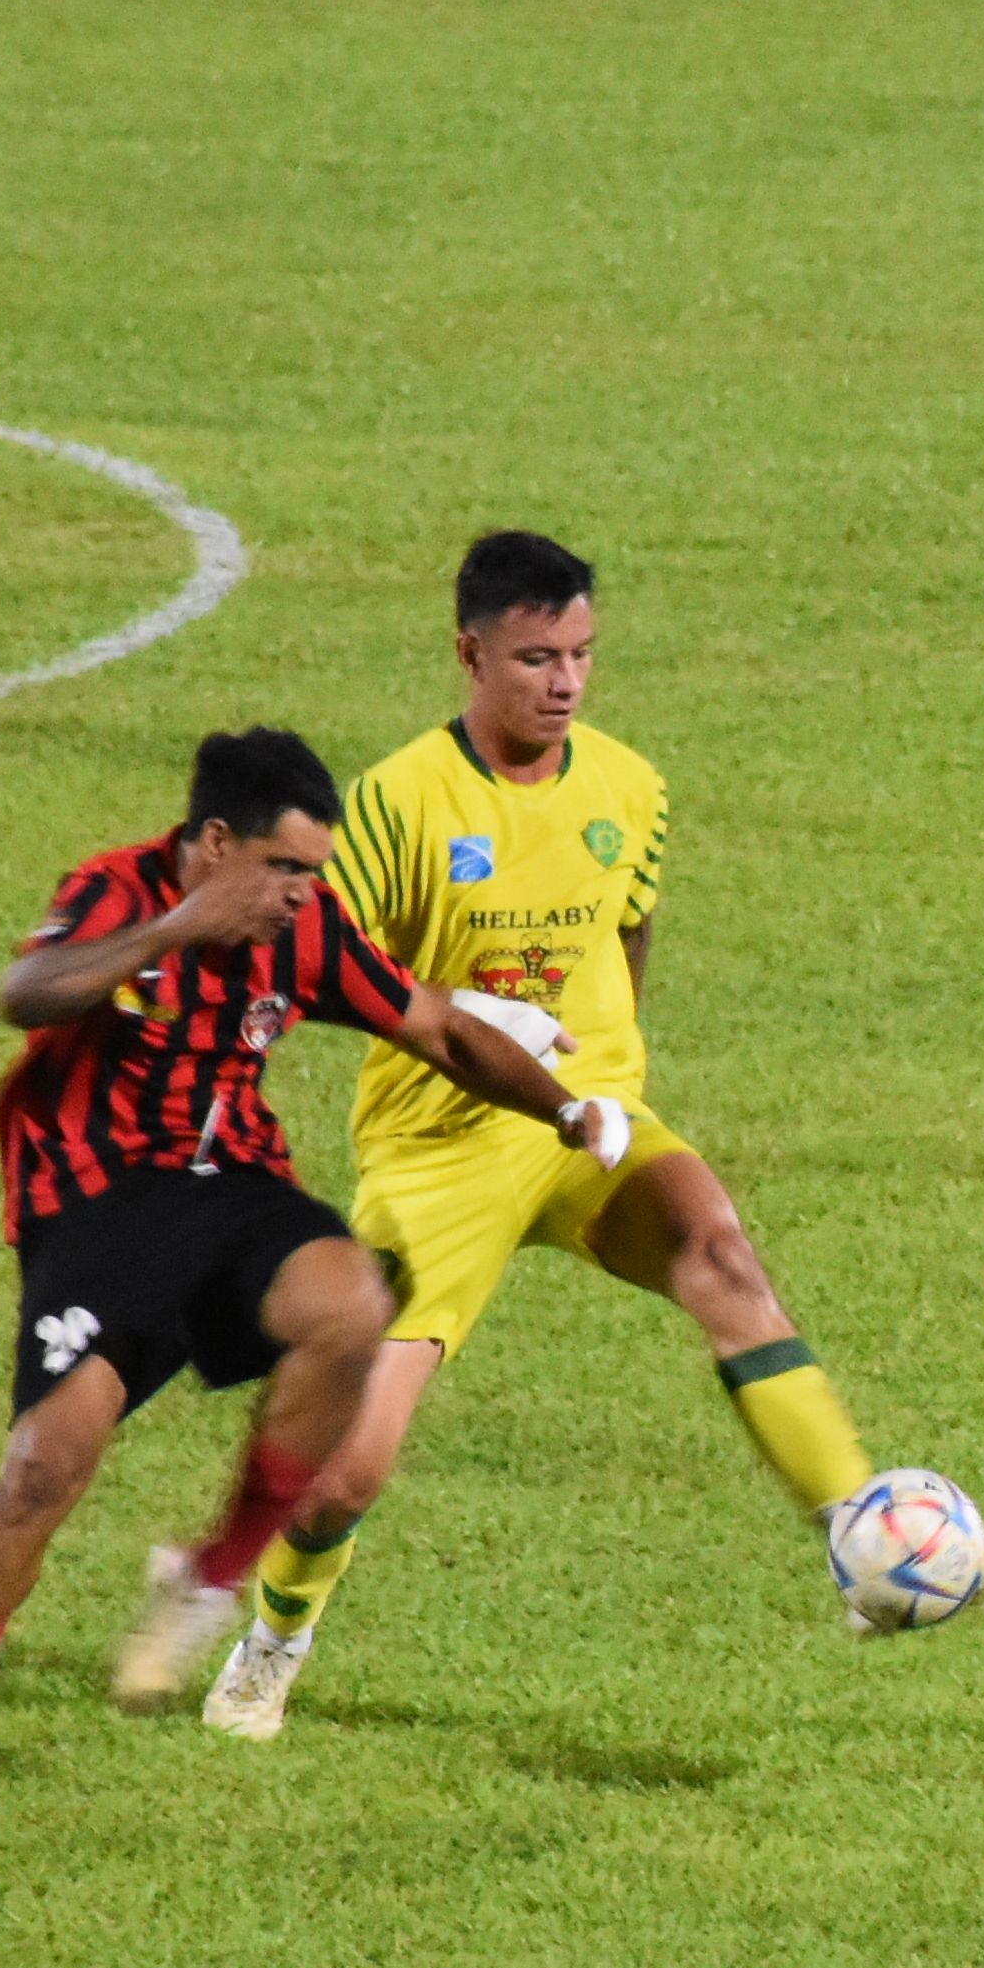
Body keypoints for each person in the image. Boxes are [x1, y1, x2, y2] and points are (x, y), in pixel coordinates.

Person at [187, 528, 893, 1743]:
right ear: (469, 652)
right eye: (534, 658)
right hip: (443, 1142)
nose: (563, 682)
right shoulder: (403, 802)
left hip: (589, 1121)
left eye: (580, 655)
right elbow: (326, 961)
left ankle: (865, 1542)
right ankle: (273, 1641)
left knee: (722, 1257)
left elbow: (629, 927)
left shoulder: (630, 787)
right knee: (350, 1464)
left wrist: (610, 1059)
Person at [0, 729, 623, 1818]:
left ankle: (214, 1574)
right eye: (286, 870)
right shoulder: (118, 889)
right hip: (95, 1211)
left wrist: (566, 1109)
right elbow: (25, 993)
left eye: (316, 873)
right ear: (215, 843)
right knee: (43, 1470)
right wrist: (171, 931)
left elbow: (437, 1028)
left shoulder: (304, 934)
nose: (303, 894)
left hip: (228, 1188)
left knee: (354, 1304)